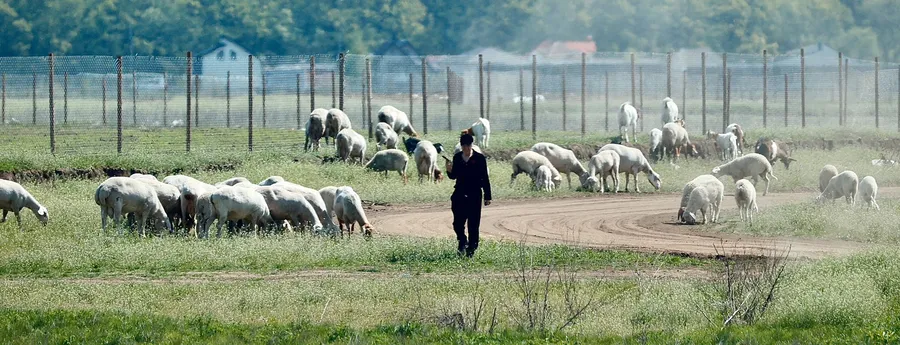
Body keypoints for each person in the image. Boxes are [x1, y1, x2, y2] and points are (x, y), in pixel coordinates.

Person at [445, 133, 492, 257]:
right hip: (459, 193)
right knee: (457, 223)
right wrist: (449, 170)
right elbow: (454, 176)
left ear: (472, 145)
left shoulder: (480, 158)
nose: (466, 148)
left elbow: (485, 178)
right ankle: (462, 240)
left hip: (475, 194)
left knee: (473, 223)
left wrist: (488, 196)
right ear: (461, 146)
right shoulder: (457, 158)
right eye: (464, 146)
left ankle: (471, 248)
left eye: (468, 146)